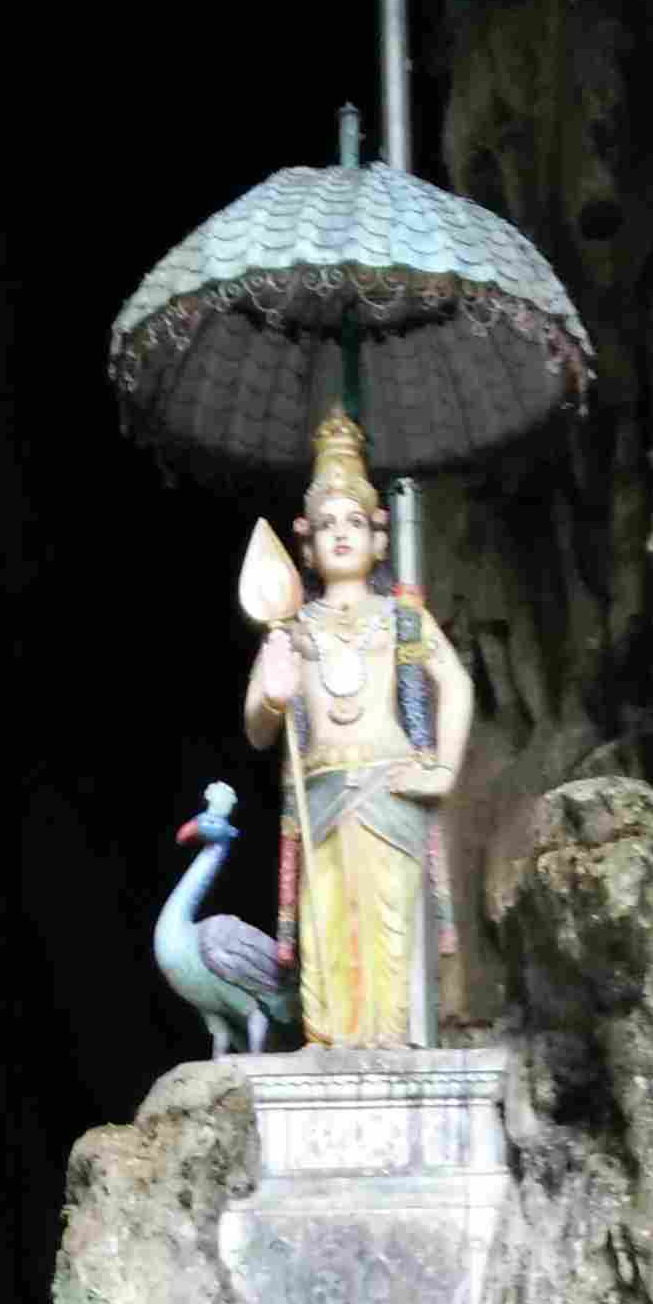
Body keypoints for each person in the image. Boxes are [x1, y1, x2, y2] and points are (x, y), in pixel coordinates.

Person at [244, 410, 472, 1043]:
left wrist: (442, 769)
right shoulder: (293, 626)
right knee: (325, 923)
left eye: (353, 522)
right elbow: (257, 727)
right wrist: (273, 697)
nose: (341, 535)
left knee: (389, 924)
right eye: (327, 525)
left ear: (379, 539)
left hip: (389, 784)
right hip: (320, 790)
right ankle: (328, 1040)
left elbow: (456, 685)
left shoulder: (402, 618)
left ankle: (387, 1042)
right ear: (306, 545)